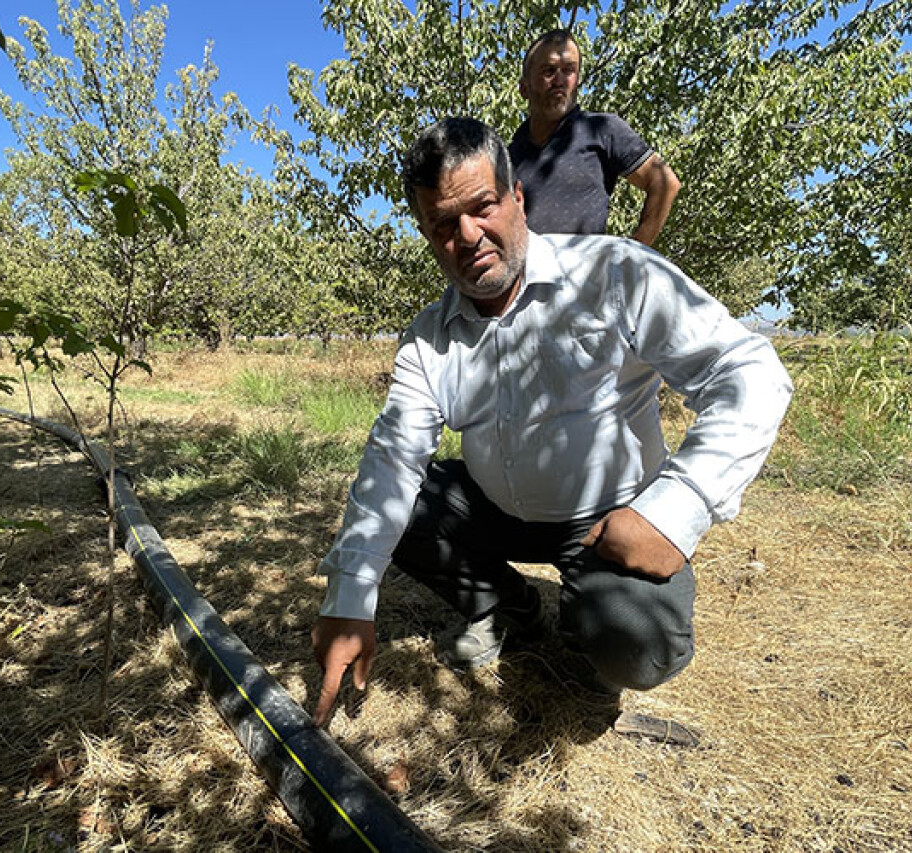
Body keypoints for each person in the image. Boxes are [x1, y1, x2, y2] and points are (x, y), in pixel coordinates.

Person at [310, 118, 791, 733]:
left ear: (517, 199)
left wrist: (678, 508)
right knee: (403, 509)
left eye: (482, 206)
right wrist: (350, 596)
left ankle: (592, 619)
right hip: (498, 509)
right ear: (428, 237)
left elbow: (749, 371)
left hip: (610, 522)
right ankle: (511, 610)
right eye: (442, 226)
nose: (469, 236)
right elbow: (392, 458)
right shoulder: (429, 339)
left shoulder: (615, 273)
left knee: (635, 643)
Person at [509, 28, 680, 245]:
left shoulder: (601, 129)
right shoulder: (507, 158)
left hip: (586, 278)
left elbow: (664, 182)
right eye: (549, 70)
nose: (559, 80)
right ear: (524, 88)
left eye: (569, 70)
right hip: (525, 277)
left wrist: (632, 254)